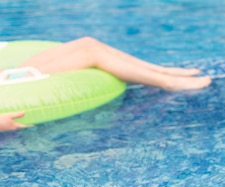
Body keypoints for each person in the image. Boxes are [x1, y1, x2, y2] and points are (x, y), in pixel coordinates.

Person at [1, 36, 212, 132]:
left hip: (7, 75)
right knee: (91, 54)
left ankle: (161, 70)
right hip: (12, 85)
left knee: (88, 43)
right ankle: (168, 82)